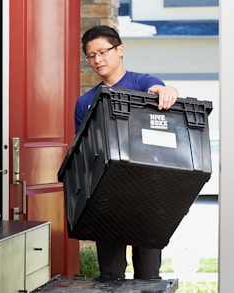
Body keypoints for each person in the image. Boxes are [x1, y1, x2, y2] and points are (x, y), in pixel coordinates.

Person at [74, 25, 178, 280]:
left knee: (148, 275)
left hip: (148, 197)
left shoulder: (141, 83)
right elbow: (83, 152)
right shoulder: (84, 102)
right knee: (110, 275)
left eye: (103, 51)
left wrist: (167, 91)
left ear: (120, 50)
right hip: (107, 199)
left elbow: (159, 89)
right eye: (91, 55)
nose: (97, 60)